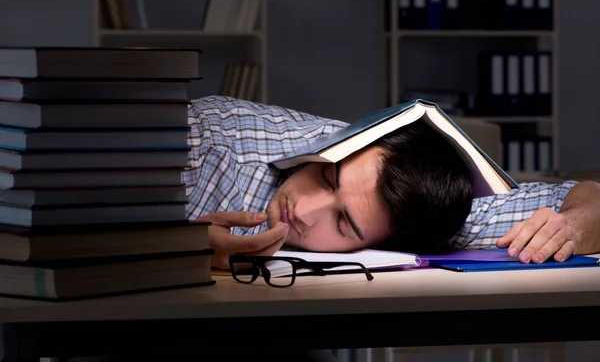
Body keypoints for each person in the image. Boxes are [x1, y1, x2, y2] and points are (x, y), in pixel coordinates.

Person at [184, 96, 600, 270]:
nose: (304, 212)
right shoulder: (213, 139)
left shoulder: (429, 211)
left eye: (344, 224)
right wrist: (173, 249)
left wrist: (574, 227)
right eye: (327, 176)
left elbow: (587, 199)